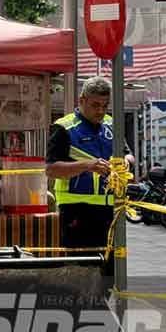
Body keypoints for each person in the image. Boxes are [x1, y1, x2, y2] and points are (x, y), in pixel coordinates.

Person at [46, 77, 134, 248]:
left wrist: (125, 162)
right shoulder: (63, 128)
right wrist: (88, 165)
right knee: (82, 266)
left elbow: (128, 155)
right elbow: (51, 169)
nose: (100, 111)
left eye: (105, 105)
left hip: (112, 208)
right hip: (76, 210)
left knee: (112, 267)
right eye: (95, 105)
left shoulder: (111, 124)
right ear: (82, 100)